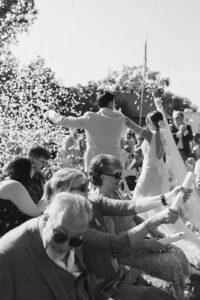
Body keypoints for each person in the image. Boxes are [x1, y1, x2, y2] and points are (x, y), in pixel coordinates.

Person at [41, 168, 188, 300]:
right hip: (99, 288)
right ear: (64, 193)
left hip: (116, 274)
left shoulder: (91, 202)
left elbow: (129, 206)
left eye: (86, 185)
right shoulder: (68, 224)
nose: (87, 190)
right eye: (81, 188)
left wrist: (166, 198)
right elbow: (115, 244)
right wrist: (155, 221)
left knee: (163, 295)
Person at [88, 153, 190, 300]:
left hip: (139, 241)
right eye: (117, 175)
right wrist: (148, 243)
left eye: (121, 173)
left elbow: (131, 213)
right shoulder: (99, 203)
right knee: (171, 262)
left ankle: (179, 292)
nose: (120, 178)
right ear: (103, 177)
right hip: (127, 252)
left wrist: (154, 230)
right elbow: (116, 246)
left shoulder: (116, 191)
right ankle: (173, 294)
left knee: (177, 252)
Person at [125, 98, 200, 269]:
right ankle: (148, 229)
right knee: (155, 203)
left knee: (140, 201)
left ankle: (141, 231)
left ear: (152, 122)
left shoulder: (151, 135)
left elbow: (132, 125)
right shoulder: (162, 137)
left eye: (147, 120)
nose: (144, 122)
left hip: (149, 174)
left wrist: (117, 113)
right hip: (156, 174)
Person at [0, 191, 110, 300]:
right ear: (46, 219)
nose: (65, 246)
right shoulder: (6, 256)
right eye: (59, 236)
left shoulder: (71, 229)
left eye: (74, 241)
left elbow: (85, 287)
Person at [45, 91, 128, 171]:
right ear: (111, 103)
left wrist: (51, 112)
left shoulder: (90, 118)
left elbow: (64, 121)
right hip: (114, 164)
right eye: (114, 102)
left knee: (93, 185)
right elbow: (122, 138)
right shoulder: (121, 119)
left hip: (95, 164)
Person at [0, 157, 41, 236]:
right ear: (26, 169)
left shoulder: (6, 183)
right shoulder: (14, 185)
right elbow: (36, 213)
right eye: (32, 167)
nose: (33, 171)